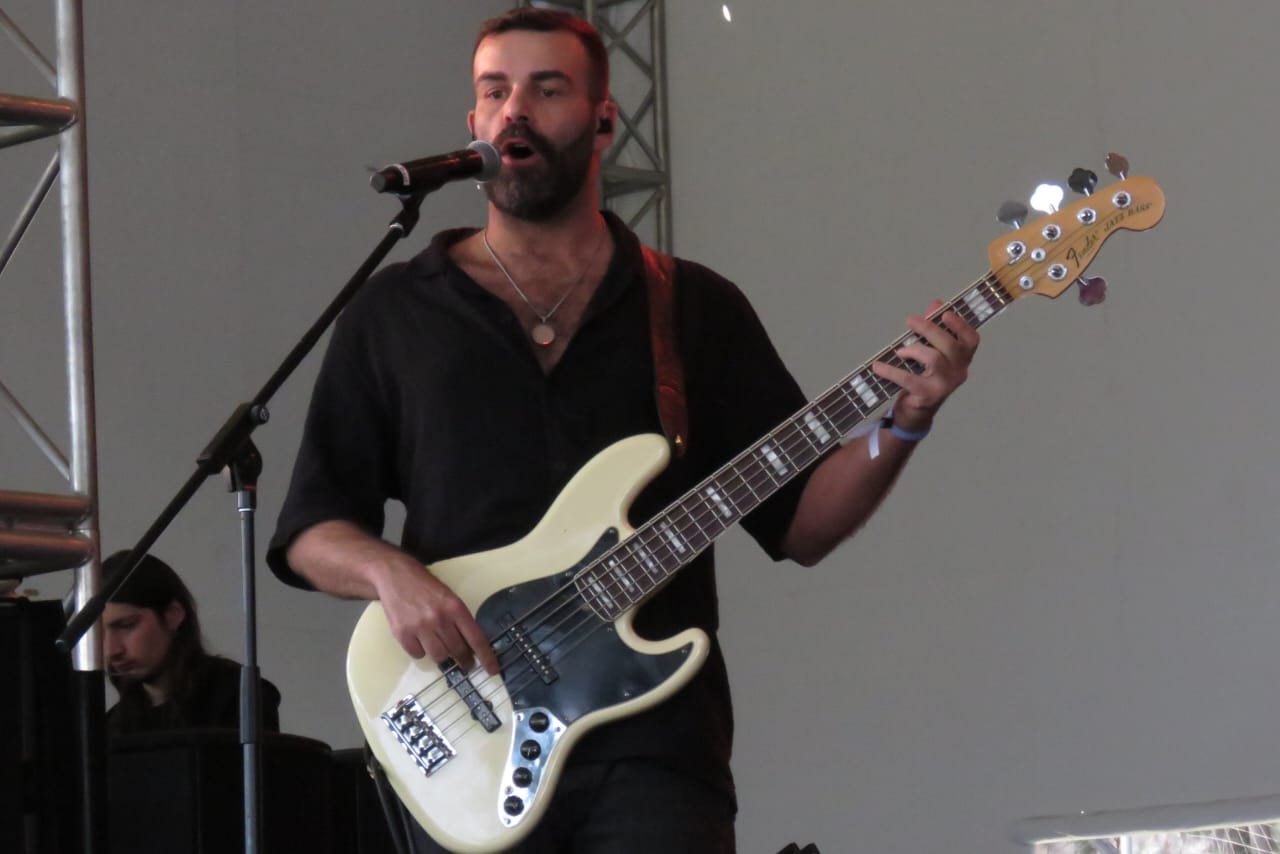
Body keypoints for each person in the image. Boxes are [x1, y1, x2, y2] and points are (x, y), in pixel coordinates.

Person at [267, 8, 978, 853]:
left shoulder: (694, 307)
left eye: (547, 89)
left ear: (603, 120)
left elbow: (801, 525)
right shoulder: (395, 312)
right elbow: (312, 530)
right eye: (495, 91)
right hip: (469, 742)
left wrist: (907, 421)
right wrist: (392, 576)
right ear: (473, 122)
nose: (514, 111)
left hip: (657, 752)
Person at [102, 550, 281, 735]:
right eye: (99, 633)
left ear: (173, 615)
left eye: (126, 625)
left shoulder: (241, 697)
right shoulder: (111, 726)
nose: (111, 650)